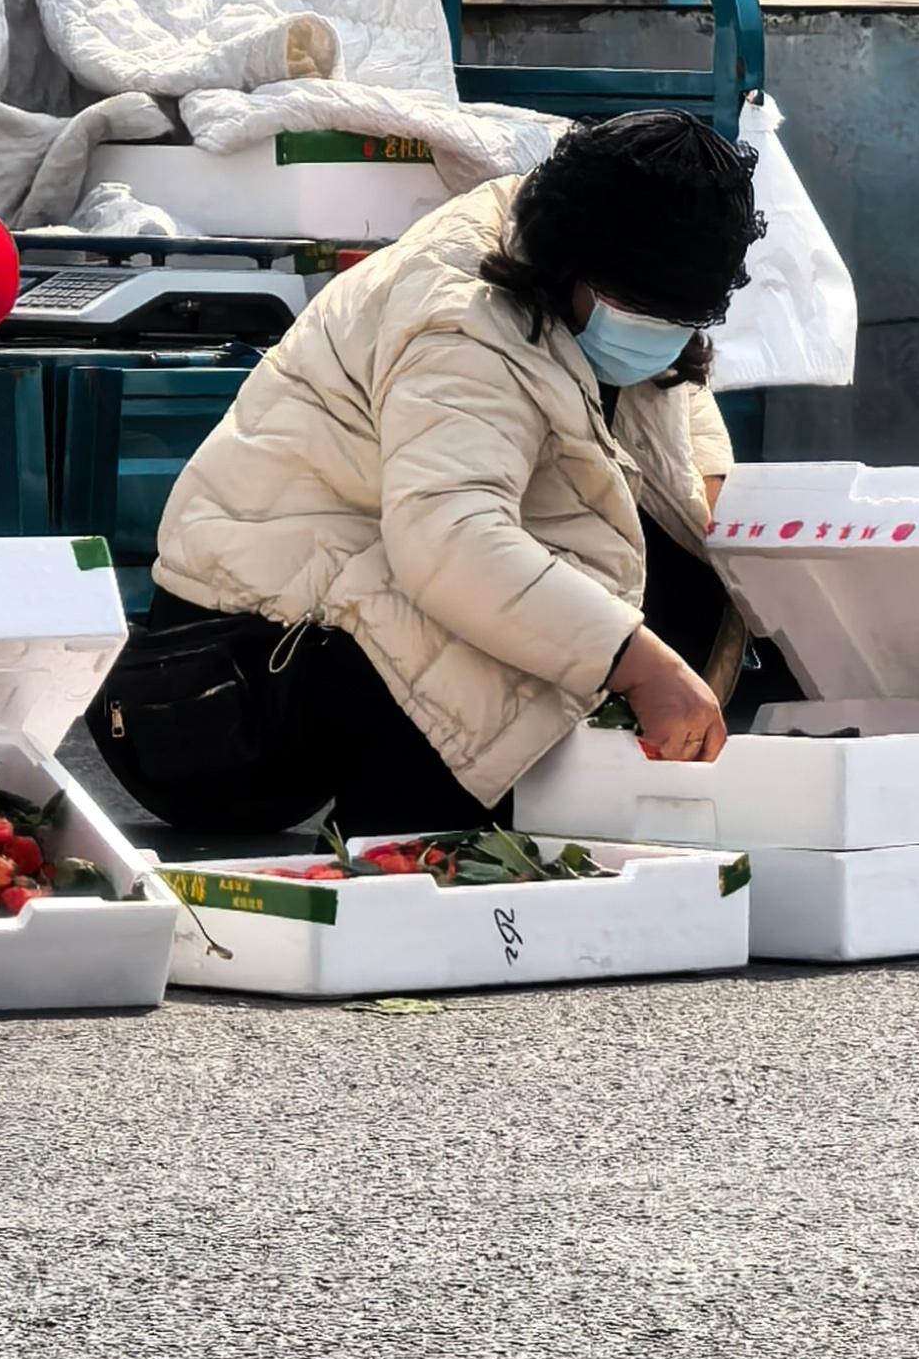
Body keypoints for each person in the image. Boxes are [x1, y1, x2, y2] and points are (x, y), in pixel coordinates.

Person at [93, 108, 767, 850]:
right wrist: (639, 664)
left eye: (684, 319)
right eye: (646, 312)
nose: (662, 334)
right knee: (505, 627)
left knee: (675, 574)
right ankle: (409, 846)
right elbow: (449, 541)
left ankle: (565, 807)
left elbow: (681, 443)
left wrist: (751, 548)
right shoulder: (460, 316)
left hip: (352, 593)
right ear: (580, 264)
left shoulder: (604, 283)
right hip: (235, 672)